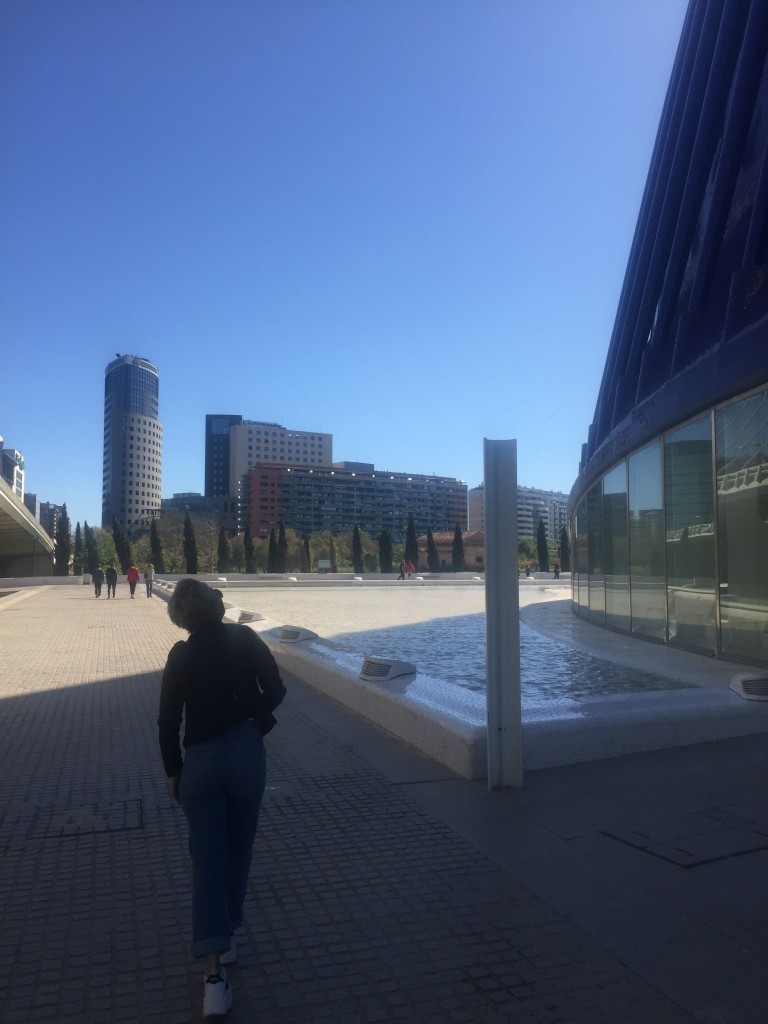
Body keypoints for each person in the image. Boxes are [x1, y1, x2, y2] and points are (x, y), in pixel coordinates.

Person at [158, 578, 286, 1019]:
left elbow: (166, 720)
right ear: (215, 604)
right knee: (239, 848)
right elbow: (278, 690)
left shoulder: (180, 655)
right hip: (246, 752)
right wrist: (253, 716)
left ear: (181, 615)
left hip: (200, 763)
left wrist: (174, 770)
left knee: (207, 861)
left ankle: (213, 977)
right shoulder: (244, 638)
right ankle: (226, 935)